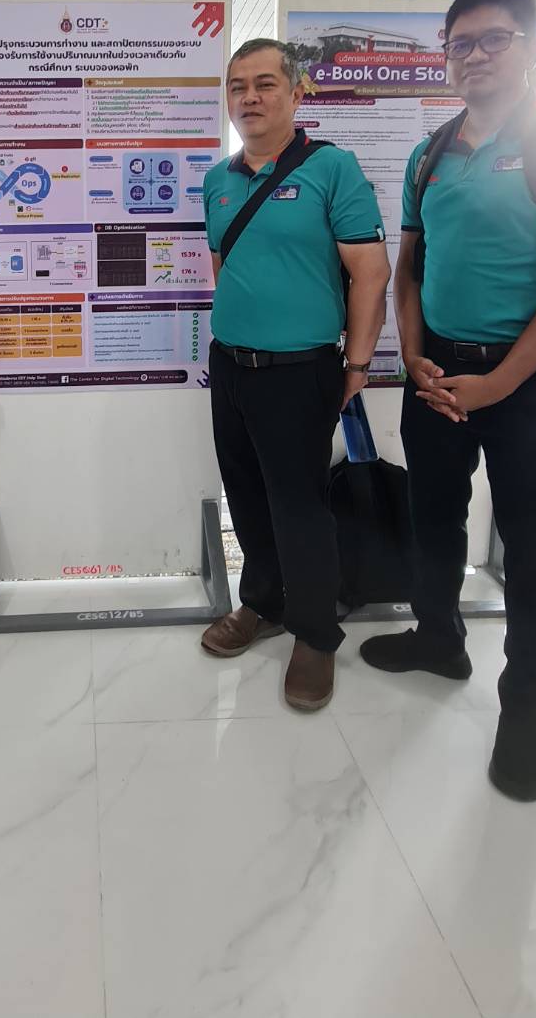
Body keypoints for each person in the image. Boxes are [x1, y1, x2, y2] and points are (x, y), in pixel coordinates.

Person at [360, 0, 536, 803]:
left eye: (494, 39)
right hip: (438, 373)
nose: (475, 55)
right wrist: (414, 353)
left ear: (531, 47)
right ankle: (439, 638)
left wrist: (499, 382)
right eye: (460, 43)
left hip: (531, 380)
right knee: (433, 517)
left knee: (532, 549)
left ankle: (528, 715)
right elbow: (410, 267)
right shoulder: (430, 152)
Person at [200, 38, 391, 710]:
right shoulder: (218, 180)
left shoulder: (331, 168)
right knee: (247, 493)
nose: (249, 97)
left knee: (300, 507)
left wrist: (357, 364)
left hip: (299, 371)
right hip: (231, 365)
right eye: (238, 87)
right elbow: (225, 267)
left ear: (295, 93)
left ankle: (314, 633)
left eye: (265, 84)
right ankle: (263, 602)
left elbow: (371, 273)